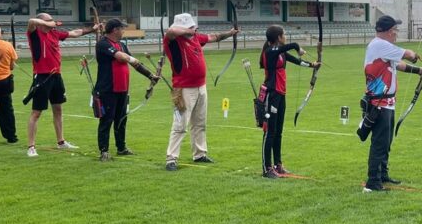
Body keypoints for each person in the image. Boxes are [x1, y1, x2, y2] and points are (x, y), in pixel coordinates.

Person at [358, 15, 422, 192]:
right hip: (379, 103)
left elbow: (399, 65)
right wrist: (414, 56)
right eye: (395, 30)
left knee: (386, 142)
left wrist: (418, 70)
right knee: (379, 143)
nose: (396, 33)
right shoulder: (380, 45)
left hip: (386, 102)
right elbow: (408, 55)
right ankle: (373, 182)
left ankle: (383, 174)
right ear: (389, 31)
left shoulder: (383, 49)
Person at [162, 12, 239, 171]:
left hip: (200, 87)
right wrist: (187, 30)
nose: (194, 29)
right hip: (183, 89)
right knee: (180, 125)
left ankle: (199, 154)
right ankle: (171, 158)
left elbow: (213, 37)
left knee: (199, 123)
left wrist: (230, 33)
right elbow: (170, 31)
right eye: (191, 27)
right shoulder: (173, 41)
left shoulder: (195, 37)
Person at [24, 12, 100, 157]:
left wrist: (92, 29)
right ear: (40, 23)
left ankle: (61, 141)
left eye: (52, 20)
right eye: (48, 20)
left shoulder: (54, 33)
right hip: (42, 77)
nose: (51, 23)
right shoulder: (34, 34)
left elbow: (74, 33)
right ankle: (31, 146)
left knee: (58, 109)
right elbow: (31, 21)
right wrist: (50, 23)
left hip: (56, 76)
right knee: (36, 112)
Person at [258, 25, 320, 178]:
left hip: (280, 94)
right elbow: (291, 46)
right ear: (278, 37)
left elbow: (297, 61)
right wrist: (297, 47)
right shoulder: (270, 52)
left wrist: (312, 65)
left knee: (278, 131)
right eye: (283, 34)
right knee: (269, 132)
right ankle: (267, 168)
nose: (285, 36)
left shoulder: (280, 53)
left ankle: (277, 165)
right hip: (271, 94)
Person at [94, 18, 155, 162]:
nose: (123, 31)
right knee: (107, 120)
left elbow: (134, 64)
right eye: (122, 29)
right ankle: (104, 151)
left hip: (122, 89)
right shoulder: (103, 43)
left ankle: (121, 148)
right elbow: (121, 57)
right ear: (115, 30)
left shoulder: (121, 44)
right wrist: (131, 59)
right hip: (108, 89)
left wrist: (150, 75)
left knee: (121, 119)